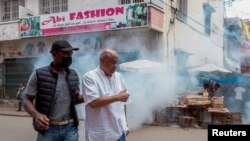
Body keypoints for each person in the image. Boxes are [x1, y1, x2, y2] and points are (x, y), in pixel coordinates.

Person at [23, 40, 84, 141]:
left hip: (70, 128)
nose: (68, 56)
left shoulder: (74, 75)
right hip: (48, 129)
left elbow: (74, 100)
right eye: (65, 53)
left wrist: (90, 96)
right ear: (54, 54)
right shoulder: (39, 74)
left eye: (70, 53)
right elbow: (27, 100)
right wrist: (36, 115)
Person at [82, 48, 130, 141]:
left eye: (116, 63)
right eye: (112, 62)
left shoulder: (119, 76)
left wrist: (125, 124)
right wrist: (118, 97)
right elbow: (93, 102)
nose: (115, 66)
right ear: (101, 61)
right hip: (100, 134)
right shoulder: (89, 77)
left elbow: (123, 103)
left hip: (119, 132)